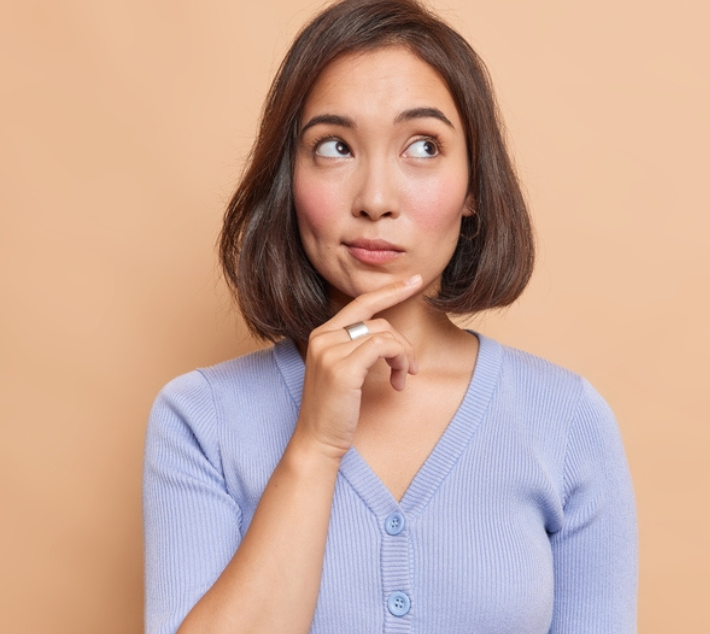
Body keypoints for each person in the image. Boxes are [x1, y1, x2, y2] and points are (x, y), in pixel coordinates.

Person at [141, 1, 638, 632]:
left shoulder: (567, 422)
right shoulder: (199, 422)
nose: (375, 199)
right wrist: (315, 447)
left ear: (474, 189)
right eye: (334, 147)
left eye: (424, 146)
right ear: (287, 179)